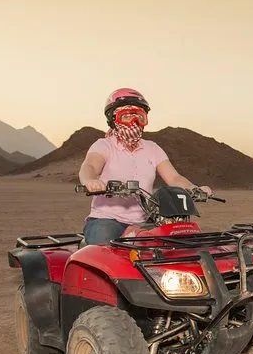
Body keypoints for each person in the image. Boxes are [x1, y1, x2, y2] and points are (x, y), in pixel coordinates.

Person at [78, 87, 213, 245]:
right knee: (104, 249)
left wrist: (193, 188)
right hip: (107, 220)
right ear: (113, 118)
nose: (134, 122)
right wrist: (91, 181)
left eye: (139, 117)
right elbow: (90, 166)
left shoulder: (152, 148)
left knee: (177, 244)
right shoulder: (104, 145)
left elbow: (174, 177)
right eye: (126, 116)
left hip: (146, 220)